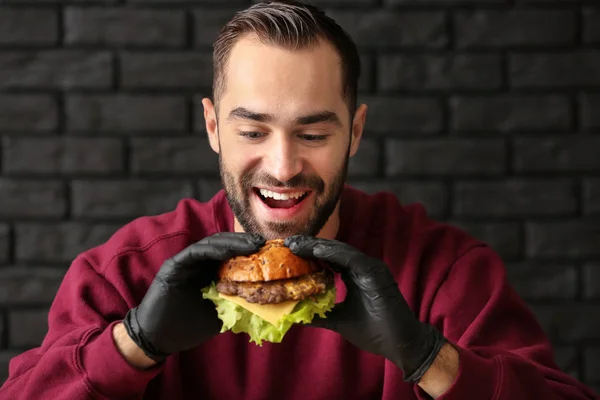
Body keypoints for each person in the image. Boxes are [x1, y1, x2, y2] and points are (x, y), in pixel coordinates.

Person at [0, 1, 597, 399]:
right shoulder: (124, 271)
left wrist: (427, 358)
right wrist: (133, 345)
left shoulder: (445, 271)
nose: (283, 167)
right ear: (212, 128)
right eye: (252, 131)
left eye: (313, 134)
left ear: (355, 132)